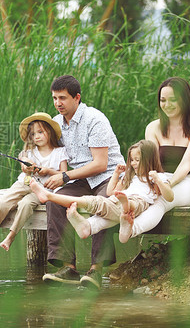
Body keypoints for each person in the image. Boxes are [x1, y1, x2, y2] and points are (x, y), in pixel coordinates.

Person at [42, 75, 125, 289]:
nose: (57, 103)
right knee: (55, 201)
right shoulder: (57, 122)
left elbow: (100, 163)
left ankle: (96, 270)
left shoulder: (95, 119)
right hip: (81, 179)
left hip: (108, 175)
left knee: (104, 201)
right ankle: (68, 267)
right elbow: (53, 155)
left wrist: (66, 176)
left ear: (77, 97)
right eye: (54, 98)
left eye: (62, 98)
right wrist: (38, 166)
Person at [116, 77, 190, 242]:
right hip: (161, 179)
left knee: (161, 199)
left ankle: (131, 229)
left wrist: (166, 185)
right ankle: (91, 225)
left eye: (173, 100)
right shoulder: (153, 127)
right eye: (163, 100)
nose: (167, 104)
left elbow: (186, 164)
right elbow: (150, 163)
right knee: (129, 195)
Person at [30, 140, 174, 244]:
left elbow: (169, 196)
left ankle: (49, 196)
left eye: (138, 160)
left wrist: (158, 180)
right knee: (101, 201)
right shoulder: (130, 176)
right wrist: (116, 174)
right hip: (118, 200)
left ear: (149, 160)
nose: (134, 163)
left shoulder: (157, 176)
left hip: (138, 202)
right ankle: (95, 223)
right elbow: (111, 191)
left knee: (107, 202)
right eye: (132, 160)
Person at [0, 112, 69, 251]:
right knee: (2, 202)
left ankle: (11, 236)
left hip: (42, 189)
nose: (37, 136)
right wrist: (28, 166)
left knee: (25, 204)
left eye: (40, 132)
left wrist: (47, 171)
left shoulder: (59, 152)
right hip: (25, 183)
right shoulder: (29, 152)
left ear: (50, 132)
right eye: (33, 134)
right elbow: (24, 165)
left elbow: (63, 174)